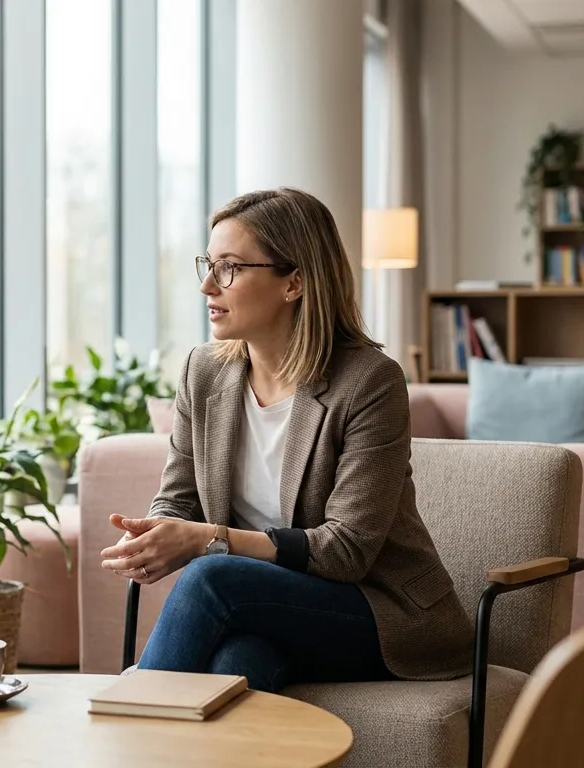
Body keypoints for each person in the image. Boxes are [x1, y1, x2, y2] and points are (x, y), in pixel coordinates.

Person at [100, 188, 474, 693]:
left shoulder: (369, 382)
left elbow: (345, 551)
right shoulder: (203, 372)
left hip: (379, 611)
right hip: (270, 607)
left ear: (294, 282)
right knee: (239, 662)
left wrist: (210, 541)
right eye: (207, 265)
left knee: (212, 578)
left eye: (229, 267)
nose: (208, 285)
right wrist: (157, 532)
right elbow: (180, 497)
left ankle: (130, 730)